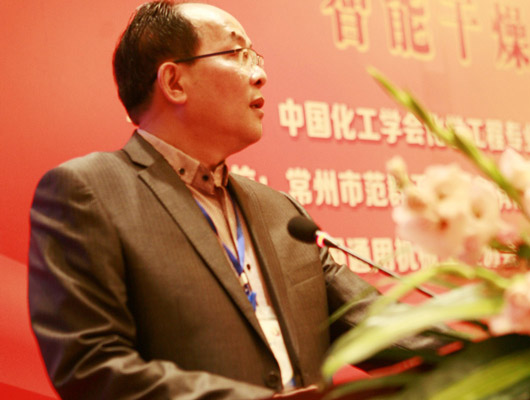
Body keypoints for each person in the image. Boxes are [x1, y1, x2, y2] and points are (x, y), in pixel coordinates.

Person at [28, 1, 380, 398]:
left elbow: (379, 325)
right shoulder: (88, 193)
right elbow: (92, 366)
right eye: (237, 53)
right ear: (174, 82)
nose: (260, 75)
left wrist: (443, 337)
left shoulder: (282, 212)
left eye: (255, 57)